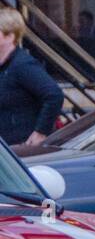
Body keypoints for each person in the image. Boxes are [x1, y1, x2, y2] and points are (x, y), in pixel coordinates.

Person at [0, 9, 64, 147]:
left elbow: (54, 95)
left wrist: (40, 132)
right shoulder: (5, 66)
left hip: (21, 148)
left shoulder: (22, 65)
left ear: (10, 36)